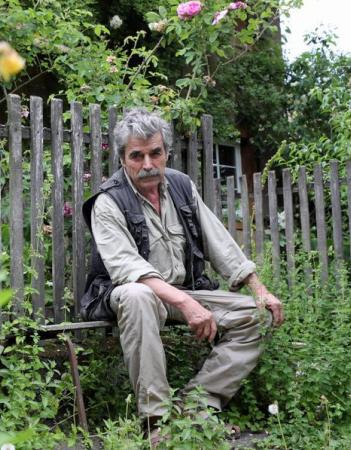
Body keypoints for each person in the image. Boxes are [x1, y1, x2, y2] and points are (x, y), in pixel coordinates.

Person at [80, 108, 284, 441]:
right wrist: (187, 305)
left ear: (166, 152)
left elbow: (219, 241)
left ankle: (195, 408)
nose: (148, 163)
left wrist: (258, 288)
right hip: (127, 294)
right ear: (122, 158)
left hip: (183, 291)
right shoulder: (108, 201)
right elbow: (127, 269)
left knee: (255, 316)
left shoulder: (180, 185)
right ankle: (155, 422)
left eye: (155, 153)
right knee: (138, 295)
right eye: (137, 155)